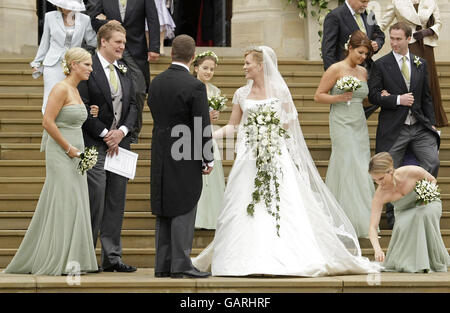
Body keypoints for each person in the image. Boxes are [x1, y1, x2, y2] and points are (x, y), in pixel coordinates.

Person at [192, 46, 381, 277]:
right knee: (243, 203)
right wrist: (208, 134)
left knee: (281, 204)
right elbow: (233, 125)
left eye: (247, 63)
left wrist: (270, 139)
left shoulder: (280, 90)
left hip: (275, 154)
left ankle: (282, 255)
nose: (244, 67)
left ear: (261, 66)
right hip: (249, 157)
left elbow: (289, 123)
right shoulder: (241, 93)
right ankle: (244, 257)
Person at [3, 47, 98, 275]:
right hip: (62, 151)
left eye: (91, 65)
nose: (90, 69)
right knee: (64, 201)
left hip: (77, 151)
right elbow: (47, 122)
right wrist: (68, 149)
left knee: (75, 202)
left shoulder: (75, 90)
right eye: (87, 64)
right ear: (73, 64)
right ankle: (57, 258)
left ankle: (71, 258)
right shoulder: (60, 88)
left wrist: (91, 112)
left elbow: (73, 117)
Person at [148, 35, 214, 279]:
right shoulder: (194, 86)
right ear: (193, 56)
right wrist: (207, 158)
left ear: (172, 53)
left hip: (160, 149)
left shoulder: (156, 83)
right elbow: (201, 124)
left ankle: (163, 265)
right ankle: (181, 264)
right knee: (185, 204)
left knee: (165, 205)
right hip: (185, 150)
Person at [368, 22, 440, 230]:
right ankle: (393, 213)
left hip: (419, 126)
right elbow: (373, 95)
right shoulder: (381, 64)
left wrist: (432, 123)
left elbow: (426, 96)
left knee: (432, 161)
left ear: (409, 39)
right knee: (391, 171)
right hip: (394, 128)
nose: (394, 43)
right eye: (392, 38)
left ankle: (420, 203)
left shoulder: (420, 63)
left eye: (398, 39)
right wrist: (397, 100)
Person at [79, 22, 138, 273]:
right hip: (94, 144)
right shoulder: (87, 68)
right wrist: (105, 134)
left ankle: (112, 257)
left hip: (119, 145)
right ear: (103, 41)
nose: (122, 47)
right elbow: (81, 107)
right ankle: (86, 256)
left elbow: (134, 105)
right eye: (118, 42)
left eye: (124, 43)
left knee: (116, 201)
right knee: (95, 200)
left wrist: (122, 132)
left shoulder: (125, 70)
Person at [314, 30, 375, 238]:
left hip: (358, 120)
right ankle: (341, 219)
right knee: (347, 162)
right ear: (349, 48)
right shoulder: (335, 69)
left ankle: (362, 219)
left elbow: (363, 98)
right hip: (340, 120)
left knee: (360, 165)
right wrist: (338, 98)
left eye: (365, 54)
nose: (362, 57)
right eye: (360, 52)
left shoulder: (363, 72)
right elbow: (318, 96)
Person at [86, 0, 160, 143]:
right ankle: (109, 128)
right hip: (111, 49)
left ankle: (132, 132)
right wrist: (108, 24)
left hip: (136, 49)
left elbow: (153, 19)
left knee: (138, 90)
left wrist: (154, 47)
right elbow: (93, 18)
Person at [368, 152, 450, 272]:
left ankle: (429, 261)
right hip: (403, 212)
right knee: (409, 219)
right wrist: (377, 249)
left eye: (381, 178)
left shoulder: (412, 171)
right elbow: (372, 227)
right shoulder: (380, 195)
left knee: (421, 214)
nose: (379, 183)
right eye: (375, 180)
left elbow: (432, 180)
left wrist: (425, 194)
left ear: (390, 171)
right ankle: (412, 262)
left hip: (428, 203)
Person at [380, 0, 447, 127]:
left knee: (428, 84)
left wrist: (428, 32)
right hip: (407, 46)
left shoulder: (431, 1)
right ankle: (409, 118)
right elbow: (383, 23)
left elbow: (439, 22)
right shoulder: (397, 2)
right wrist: (370, 36)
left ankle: (431, 120)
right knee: (410, 83)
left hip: (426, 46)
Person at [31, 0, 97, 114]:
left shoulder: (84, 19)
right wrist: (37, 62)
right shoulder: (50, 17)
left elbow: (92, 41)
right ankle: (50, 125)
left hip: (74, 65)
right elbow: (45, 42)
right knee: (50, 96)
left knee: (69, 96)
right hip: (53, 65)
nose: (66, 8)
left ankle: (64, 127)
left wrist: (105, 28)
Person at [321, 0, 385, 118]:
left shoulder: (369, 14)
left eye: (368, 1)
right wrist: (335, 78)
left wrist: (377, 43)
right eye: (363, 1)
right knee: (345, 109)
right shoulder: (335, 16)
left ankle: (358, 120)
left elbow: (380, 34)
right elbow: (328, 51)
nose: (366, 5)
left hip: (368, 70)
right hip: (345, 73)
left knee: (379, 96)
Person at [193, 50, 226, 230]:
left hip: (210, 133)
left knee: (212, 174)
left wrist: (215, 115)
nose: (208, 72)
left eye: (212, 69)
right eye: (205, 68)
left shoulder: (215, 91)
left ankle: (211, 217)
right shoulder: (191, 86)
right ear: (196, 67)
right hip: (192, 133)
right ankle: (196, 217)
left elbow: (214, 116)